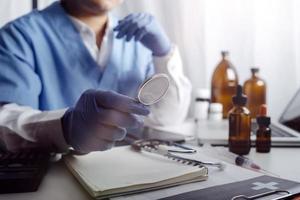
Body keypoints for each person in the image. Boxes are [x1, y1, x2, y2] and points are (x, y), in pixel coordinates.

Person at [0, 0, 191, 153]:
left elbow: (165, 119)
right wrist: (65, 128)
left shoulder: (141, 39)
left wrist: (163, 54)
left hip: (133, 178)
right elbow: (5, 122)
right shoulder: (18, 36)